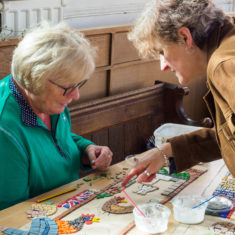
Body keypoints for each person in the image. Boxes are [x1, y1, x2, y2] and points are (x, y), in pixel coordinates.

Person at [0, 22, 113, 210]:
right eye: (68, 87)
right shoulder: (5, 131)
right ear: (35, 78)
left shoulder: (46, 101)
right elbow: (11, 216)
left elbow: (53, 141)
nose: (75, 95)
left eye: (79, 84)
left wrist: (87, 150)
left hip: (70, 207)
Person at [122, 0, 235, 187]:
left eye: (161, 51)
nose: (163, 65)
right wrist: (166, 151)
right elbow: (228, 136)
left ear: (185, 37)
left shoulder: (224, 65)